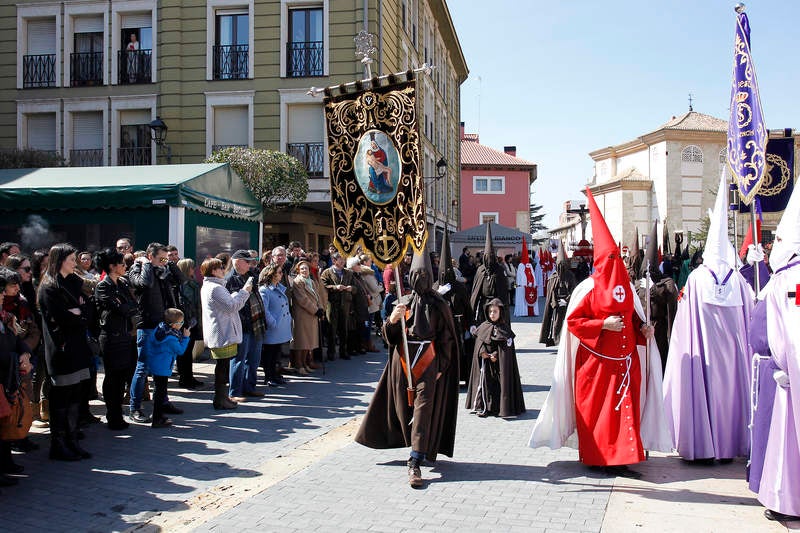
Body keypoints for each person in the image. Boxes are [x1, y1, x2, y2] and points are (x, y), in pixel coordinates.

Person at [529, 189, 671, 478]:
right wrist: (602, 325)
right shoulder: (587, 289)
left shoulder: (628, 288)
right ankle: (600, 458)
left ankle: (623, 459)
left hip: (626, 364)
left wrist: (643, 329)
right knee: (600, 414)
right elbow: (574, 324)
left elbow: (633, 319)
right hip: (596, 366)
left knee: (625, 412)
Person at [662, 171, 754, 463]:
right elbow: (751, 319)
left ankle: (703, 446)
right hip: (734, 357)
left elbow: (683, 325)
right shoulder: (740, 281)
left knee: (703, 391)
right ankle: (728, 447)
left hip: (702, 358)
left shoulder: (698, 279)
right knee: (730, 394)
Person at [355, 249, 460, 488]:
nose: (420, 279)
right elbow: (390, 339)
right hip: (402, 364)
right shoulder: (403, 302)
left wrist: (441, 366)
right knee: (403, 410)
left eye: (424, 275)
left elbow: (447, 340)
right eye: (416, 274)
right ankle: (406, 442)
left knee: (424, 409)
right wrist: (392, 320)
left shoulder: (438, 304)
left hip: (429, 363)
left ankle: (415, 459)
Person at [747, 183, 800, 521]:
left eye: (777, 241)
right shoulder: (783, 277)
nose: (772, 246)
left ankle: (789, 502)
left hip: (788, 374)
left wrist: (786, 363)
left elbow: (792, 329)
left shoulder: (791, 281)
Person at [37, 244, 93, 461]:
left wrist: (78, 313)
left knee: (76, 397)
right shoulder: (49, 287)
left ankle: (72, 440)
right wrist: (76, 314)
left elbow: (88, 308)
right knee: (62, 398)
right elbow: (58, 320)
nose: (75, 263)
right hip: (62, 349)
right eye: (71, 259)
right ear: (60, 260)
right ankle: (58, 444)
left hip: (78, 346)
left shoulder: (74, 281)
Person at [128, 243, 181, 423]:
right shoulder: (138, 270)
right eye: (161, 258)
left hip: (163, 325)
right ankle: (134, 408)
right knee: (143, 368)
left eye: (166, 258)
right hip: (147, 326)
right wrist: (146, 265)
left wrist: (170, 263)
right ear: (150, 257)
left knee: (163, 368)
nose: (164, 262)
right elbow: (144, 283)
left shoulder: (162, 271)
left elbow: (181, 279)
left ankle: (162, 402)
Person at [94, 248, 137, 431]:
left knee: (122, 377)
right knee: (112, 377)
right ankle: (113, 414)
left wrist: (124, 305)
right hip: (111, 337)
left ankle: (118, 413)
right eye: (121, 264)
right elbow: (120, 308)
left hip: (125, 335)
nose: (125, 266)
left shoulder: (122, 283)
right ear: (112, 267)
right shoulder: (104, 286)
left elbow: (133, 305)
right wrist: (124, 305)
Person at [200, 258, 252, 410]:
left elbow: (227, 304)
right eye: (220, 268)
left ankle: (222, 397)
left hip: (222, 331)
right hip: (222, 332)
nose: (224, 270)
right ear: (213, 271)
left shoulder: (211, 286)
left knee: (223, 366)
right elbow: (231, 306)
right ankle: (220, 399)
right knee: (222, 367)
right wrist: (244, 292)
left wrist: (236, 294)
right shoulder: (215, 288)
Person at [0, 268, 33, 484]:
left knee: (5, 421)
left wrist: (24, 353)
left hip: (7, 376)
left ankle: (5, 463)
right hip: (2, 374)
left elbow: (17, 338)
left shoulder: (6, 316)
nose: (4, 295)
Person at [465, 298, 525, 418]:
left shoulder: (505, 329)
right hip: (485, 363)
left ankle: (500, 408)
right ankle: (483, 406)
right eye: (490, 311)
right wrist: (483, 353)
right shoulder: (483, 326)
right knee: (485, 385)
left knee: (499, 386)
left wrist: (496, 355)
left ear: (500, 312)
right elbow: (479, 344)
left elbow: (506, 351)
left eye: (495, 311)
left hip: (498, 365)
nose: (492, 314)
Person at [636, 221, 679, 372]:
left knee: (659, 362)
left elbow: (670, 299)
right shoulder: (638, 284)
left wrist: (653, 289)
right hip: (641, 329)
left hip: (659, 329)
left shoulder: (666, 283)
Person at [225, 250, 265, 401]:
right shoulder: (230, 279)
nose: (250, 264)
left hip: (256, 322)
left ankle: (250, 387)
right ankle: (234, 392)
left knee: (254, 359)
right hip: (241, 323)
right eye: (247, 261)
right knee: (238, 359)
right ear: (237, 261)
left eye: (251, 262)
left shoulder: (251, 275)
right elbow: (234, 304)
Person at [433, 231, 472, 383]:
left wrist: (471, 324)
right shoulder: (435, 287)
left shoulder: (459, 288)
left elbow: (467, 308)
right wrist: (437, 294)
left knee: (459, 351)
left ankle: (460, 376)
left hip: (458, 325)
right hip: (441, 326)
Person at [146, 308, 190, 428]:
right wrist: (186, 338)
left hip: (157, 364)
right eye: (181, 323)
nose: (182, 325)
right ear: (173, 324)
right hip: (163, 366)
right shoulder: (171, 338)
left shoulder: (161, 329)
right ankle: (157, 418)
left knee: (158, 391)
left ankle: (158, 414)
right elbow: (180, 350)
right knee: (160, 392)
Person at [470, 224, 510, 325]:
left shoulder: (499, 270)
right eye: (487, 257)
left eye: (491, 257)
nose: (489, 260)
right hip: (484, 305)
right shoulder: (480, 270)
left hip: (497, 305)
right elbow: (475, 293)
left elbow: (504, 293)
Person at [260, 263, 294, 379]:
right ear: (272, 274)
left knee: (276, 353)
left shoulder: (279, 287)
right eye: (279, 272)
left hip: (280, 326)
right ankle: (269, 377)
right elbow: (265, 310)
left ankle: (275, 374)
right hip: (273, 327)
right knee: (270, 353)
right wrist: (273, 323)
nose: (281, 274)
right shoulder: (265, 290)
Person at [539, 244, 577, 347]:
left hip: (568, 304)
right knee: (557, 324)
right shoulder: (553, 277)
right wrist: (555, 302)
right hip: (557, 304)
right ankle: (557, 341)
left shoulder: (570, 276)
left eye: (563, 265)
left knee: (567, 324)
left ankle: (567, 341)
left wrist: (567, 300)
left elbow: (573, 290)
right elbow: (551, 293)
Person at [320, 252, 354, 361]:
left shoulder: (348, 273)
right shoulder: (327, 272)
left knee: (344, 329)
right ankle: (331, 352)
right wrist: (335, 287)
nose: (343, 262)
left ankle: (343, 351)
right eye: (340, 260)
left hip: (345, 304)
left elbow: (356, 288)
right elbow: (323, 286)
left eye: (344, 260)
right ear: (334, 261)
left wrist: (351, 288)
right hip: (332, 304)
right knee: (331, 329)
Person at [176, 258, 203, 389]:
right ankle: (185, 378)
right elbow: (186, 304)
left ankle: (189, 376)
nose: (194, 269)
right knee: (184, 353)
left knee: (188, 351)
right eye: (192, 267)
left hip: (192, 321)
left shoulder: (192, 283)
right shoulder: (184, 285)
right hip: (187, 322)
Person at [514, 239, 538, 317]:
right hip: (522, 287)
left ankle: (531, 312)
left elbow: (532, 274)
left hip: (530, 286)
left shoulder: (530, 265)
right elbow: (521, 277)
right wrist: (524, 284)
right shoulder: (521, 265)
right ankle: (523, 312)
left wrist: (533, 283)